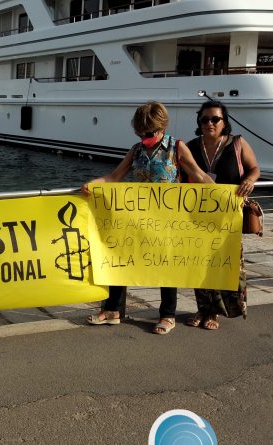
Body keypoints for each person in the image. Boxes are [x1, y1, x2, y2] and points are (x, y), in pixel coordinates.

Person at [82, 101, 214, 335]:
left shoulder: (177, 147)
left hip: (168, 220)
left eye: (149, 133)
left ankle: (167, 315)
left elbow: (200, 176)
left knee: (166, 265)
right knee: (120, 258)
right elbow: (114, 177)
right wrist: (93, 184)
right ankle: (112, 310)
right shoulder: (136, 150)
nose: (145, 137)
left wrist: (225, 198)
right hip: (136, 218)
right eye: (140, 133)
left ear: (162, 127)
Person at [183, 100, 260, 330]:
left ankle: (215, 313)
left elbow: (255, 168)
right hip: (199, 218)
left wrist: (249, 180)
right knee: (200, 265)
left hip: (228, 219)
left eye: (215, 119)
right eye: (205, 119)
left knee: (225, 265)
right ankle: (202, 308)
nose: (209, 123)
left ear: (224, 122)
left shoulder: (237, 144)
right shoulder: (191, 147)